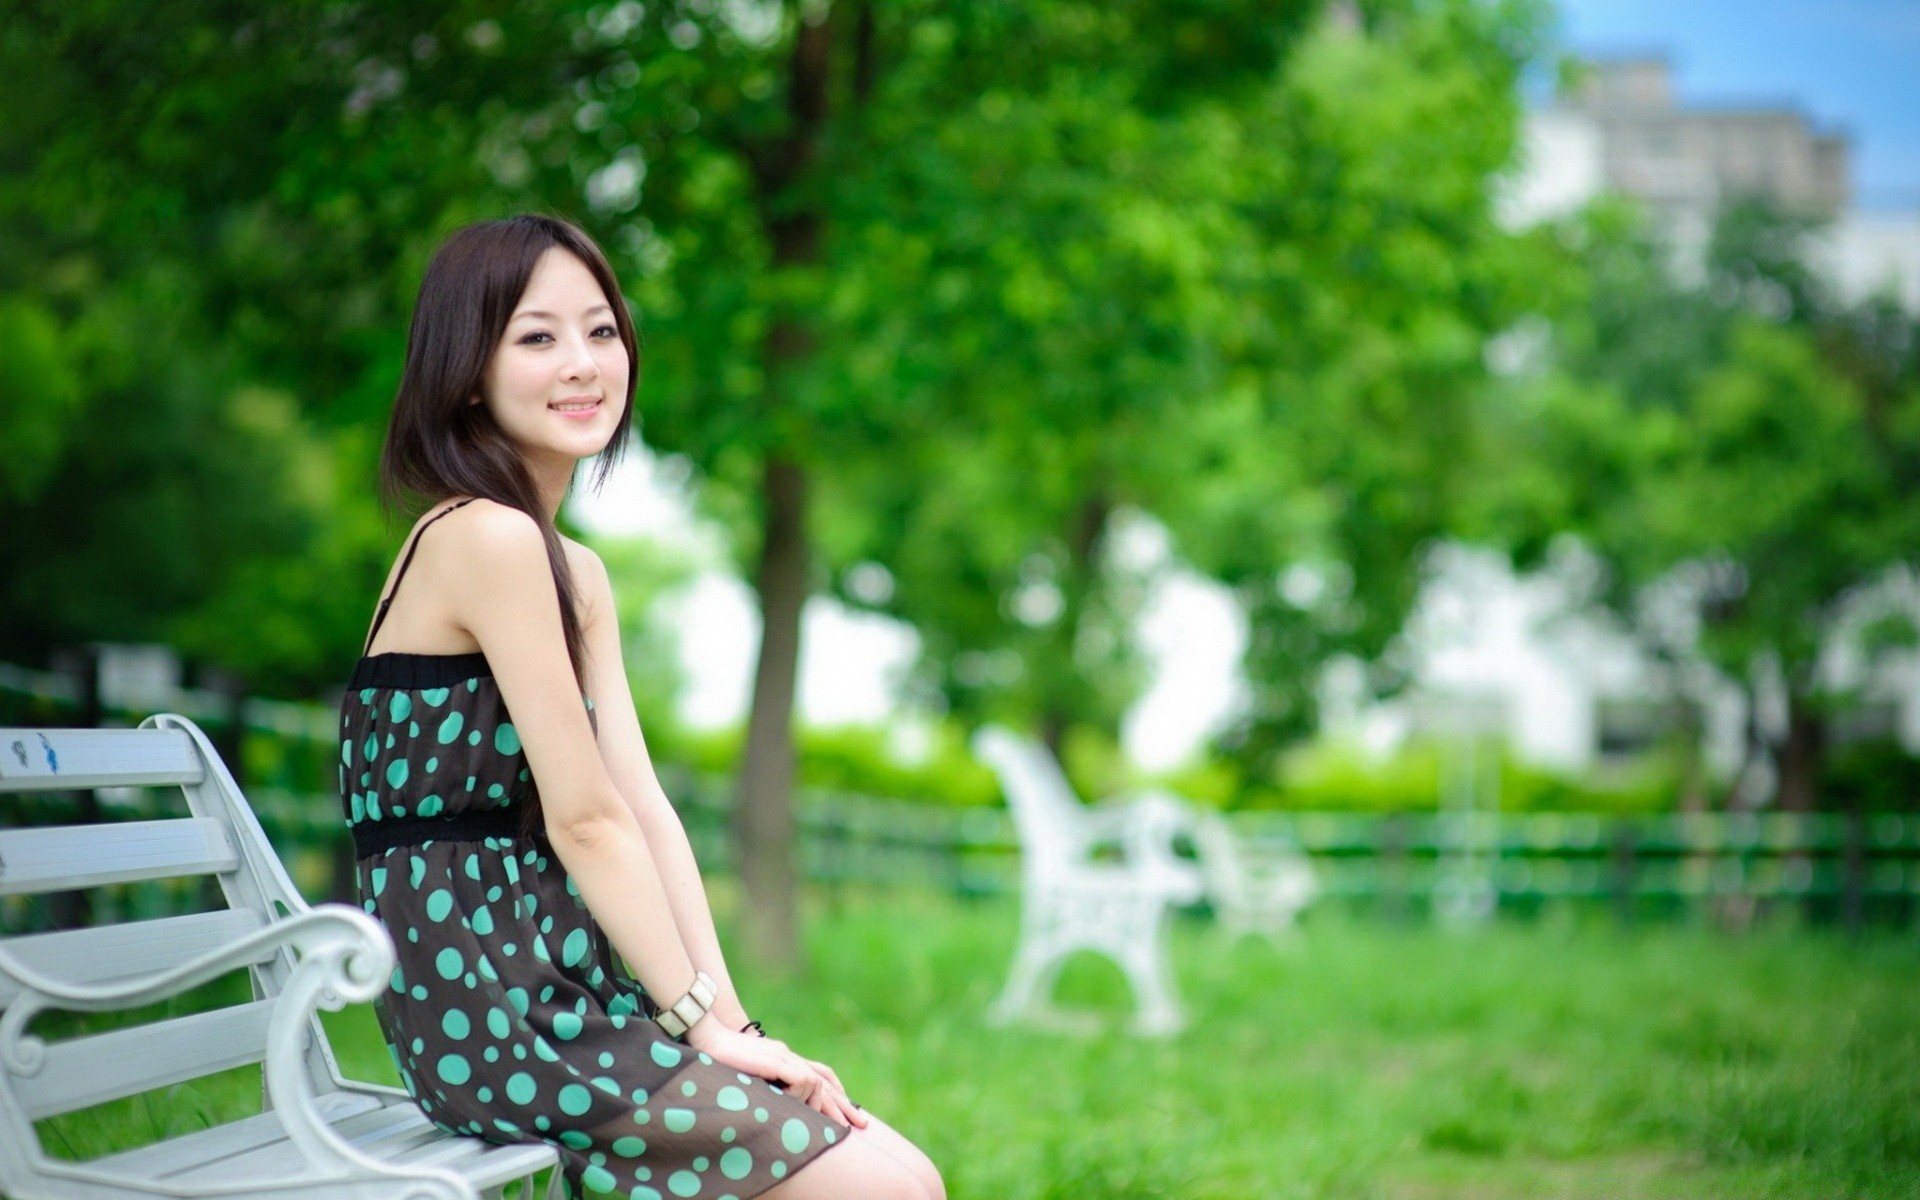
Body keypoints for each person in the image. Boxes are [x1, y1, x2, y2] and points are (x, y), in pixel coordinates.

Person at [338, 213, 943, 1200]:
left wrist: (739, 1030)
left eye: (602, 330)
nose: (582, 363)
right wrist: (698, 1024)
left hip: (570, 990)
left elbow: (643, 810)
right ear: (467, 367)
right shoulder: (481, 540)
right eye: (537, 337)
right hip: (494, 1015)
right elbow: (587, 821)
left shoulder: (572, 568)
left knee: (906, 1173)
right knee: (888, 1190)